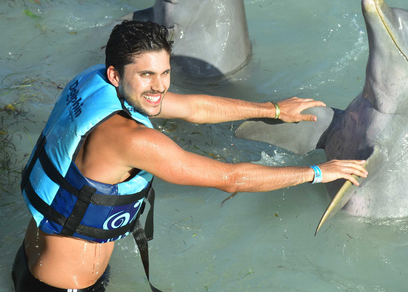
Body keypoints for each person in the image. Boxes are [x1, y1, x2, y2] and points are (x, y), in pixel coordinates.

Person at [12, 20, 368, 292]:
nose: (160, 86)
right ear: (116, 74)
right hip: (66, 284)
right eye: (148, 75)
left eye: (165, 72)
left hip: (31, 256)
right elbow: (231, 179)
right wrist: (318, 171)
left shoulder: (96, 83)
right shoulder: (131, 140)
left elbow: (194, 106)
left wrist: (272, 109)